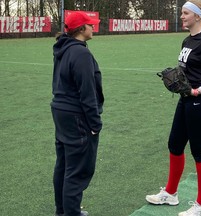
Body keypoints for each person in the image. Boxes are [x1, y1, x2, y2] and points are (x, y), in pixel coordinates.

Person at [146, 0, 201, 216]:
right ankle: (171, 194)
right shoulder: (187, 40)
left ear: (198, 16)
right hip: (186, 101)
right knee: (174, 145)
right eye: (181, 13)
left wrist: (198, 90)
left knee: (200, 153)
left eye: (185, 13)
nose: (181, 16)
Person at [51, 11, 104, 216]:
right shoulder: (80, 53)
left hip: (61, 112)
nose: (93, 28)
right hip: (76, 116)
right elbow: (87, 92)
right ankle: (71, 212)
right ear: (81, 29)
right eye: (90, 25)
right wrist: (95, 123)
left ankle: (63, 211)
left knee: (64, 165)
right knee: (78, 169)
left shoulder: (63, 48)